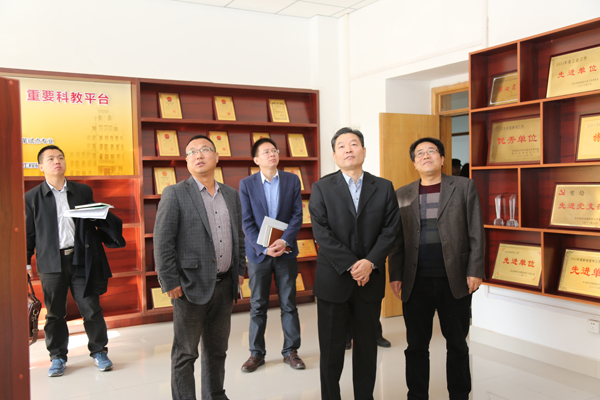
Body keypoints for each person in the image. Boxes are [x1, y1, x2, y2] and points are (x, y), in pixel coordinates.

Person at [388, 137, 485, 400]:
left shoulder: (463, 187)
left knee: (457, 344)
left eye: (432, 151)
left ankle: (460, 395)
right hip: (415, 281)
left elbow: (476, 231)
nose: (426, 156)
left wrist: (475, 269)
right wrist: (395, 274)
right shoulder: (402, 194)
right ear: (414, 163)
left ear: (442, 159)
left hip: (454, 279)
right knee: (416, 346)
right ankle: (417, 395)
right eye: (420, 153)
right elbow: (397, 240)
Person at [309, 127, 400, 400]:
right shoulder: (322, 188)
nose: (348, 149)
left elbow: (391, 230)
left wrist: (370, 262)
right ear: (334, 155)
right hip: (333, 281)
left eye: (354, 144)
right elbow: (322, 233)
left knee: (366, 349)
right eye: (341, 146)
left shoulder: (383, 187)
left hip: (369, 281)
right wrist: (353, 265)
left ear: (364, 151)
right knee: (331, 351)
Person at [154, 135, 245, 400]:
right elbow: (162, 241)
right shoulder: (175, 193)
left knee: (217, 350)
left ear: (216, 157)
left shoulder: (231, 194)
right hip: (189, 286)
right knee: (185, 353)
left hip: (225, 285)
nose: (199, 154)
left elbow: (238, 237)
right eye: (192, 151)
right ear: (186, 161)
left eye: (205, 149)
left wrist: (239, 271)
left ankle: (215, 395)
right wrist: (169, 281)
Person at [25, 145, 125, 377]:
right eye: (50, 159)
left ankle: (99, 351)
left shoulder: (82, 191)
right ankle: (57, 357)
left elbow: (92, 221)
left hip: (81, 259)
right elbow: (28, 233)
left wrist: (99, 214)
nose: (57, 161)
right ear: (40, 167)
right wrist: (26, 263)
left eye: (60, 157)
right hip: (50, 262)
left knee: (91, 308)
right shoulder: (31, 197)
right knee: (54, 313)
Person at [238, 138, 305, 372]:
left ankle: (291, 351)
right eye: (265, 152)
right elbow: (246, 221)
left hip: (285, 251)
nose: (271, 154)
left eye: (274, 150)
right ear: (256, 159)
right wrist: (264, 248)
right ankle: (256, 354)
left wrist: (284, 241)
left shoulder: (291, 180)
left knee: (289, 304)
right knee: (258, 305)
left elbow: (297, 215)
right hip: (259, 254)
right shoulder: (246, 184)